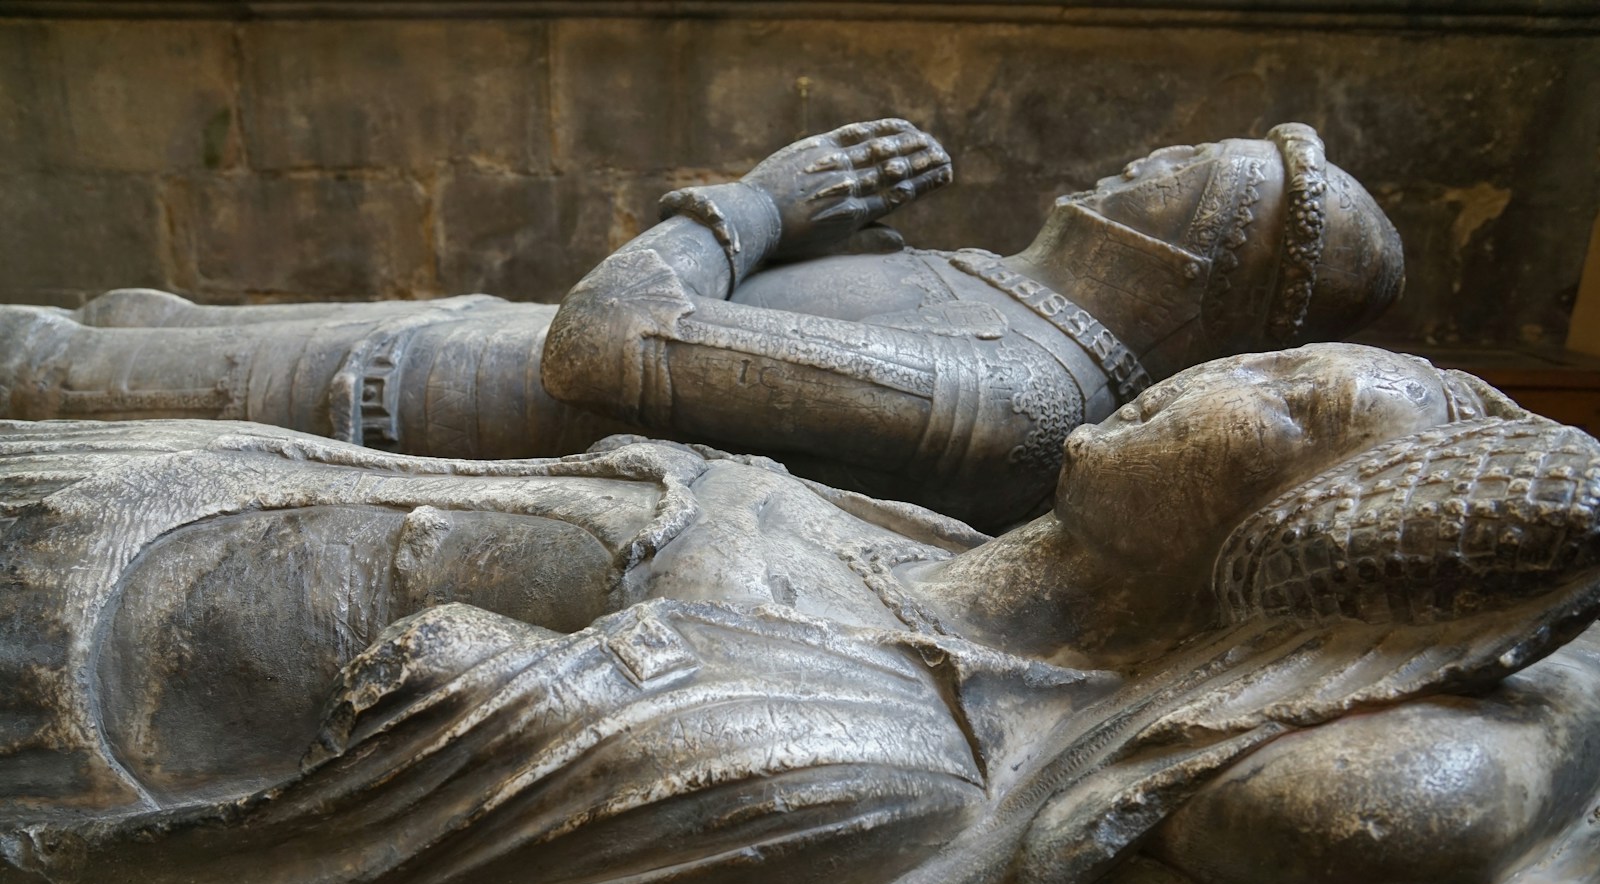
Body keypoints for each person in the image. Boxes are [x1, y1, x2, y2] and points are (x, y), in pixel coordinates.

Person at [1, 343, 1596, 884]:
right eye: (1285, 355)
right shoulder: (892, 541)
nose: (1226, 375)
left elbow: (404, 788)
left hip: (64, 711)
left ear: (1279, 554)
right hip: (133, 499)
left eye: (1294, 406)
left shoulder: (883, 768)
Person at [0, 120, 1402, 529]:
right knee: (110, 318)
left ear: (1203, 258)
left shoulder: (1013, 394)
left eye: (1169, 176)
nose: (1129, 166)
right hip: (432, 342)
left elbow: (607, 351)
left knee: (42, 369)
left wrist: (757, 202)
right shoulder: (1007, 304)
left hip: (396, 409)